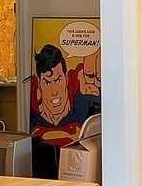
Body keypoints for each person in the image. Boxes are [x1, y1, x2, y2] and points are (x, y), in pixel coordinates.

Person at [28, 44, 98, 178]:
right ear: (39, 83)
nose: (54, 91)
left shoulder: (82, 94)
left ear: (66, 78)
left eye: (58, 80)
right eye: (47, 82)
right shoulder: (28, 101)